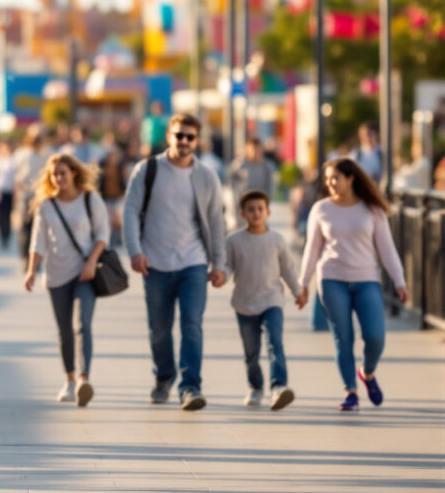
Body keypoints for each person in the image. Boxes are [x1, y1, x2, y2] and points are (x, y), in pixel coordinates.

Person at [123, 113, 228, 411]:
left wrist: (220, 264)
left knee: (192, 325)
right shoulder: (148, 169)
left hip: (193, 262)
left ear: (197, 141)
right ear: (168, 136)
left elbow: (216, 222)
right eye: (178, 135)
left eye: (189, 137)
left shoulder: (207, 176)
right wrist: (134, 251)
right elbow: (130, 211)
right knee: (159, 329)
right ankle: (163, 376)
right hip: (154, 262)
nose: (184, 141)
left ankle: (190, 387)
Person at [297, 158, 409, 411]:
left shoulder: (372, 210)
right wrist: (303, 283)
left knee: (375, 337)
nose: (330, 183)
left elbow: (387, 249)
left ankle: (367, 374)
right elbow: (312, 249)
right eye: (327, 179)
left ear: (351, 178)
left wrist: (399, 281)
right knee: (342, 338)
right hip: (331, 279)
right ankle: (350, 391)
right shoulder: (321, 209)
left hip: (366, 279)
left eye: (335, 178)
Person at [24, 154, 109, 407]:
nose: (59, 178)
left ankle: (84, 379)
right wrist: (31, 271)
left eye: (63, 172)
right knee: (64, 330)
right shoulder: (46, 206)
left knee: (81, 323)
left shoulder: (90, 199)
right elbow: (38, 241)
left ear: (74, 173)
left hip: (85, 272)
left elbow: (103, 233)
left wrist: (92, 261)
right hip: (56, 274)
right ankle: (69, 381)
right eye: (54, 174)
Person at [224, 190, 300, 411]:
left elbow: (287, 269)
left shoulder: (277, 240)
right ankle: (255, 387)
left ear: (268, 212)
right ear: (242, 214)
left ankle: (279, 386)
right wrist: (220, 275)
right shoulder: (234, 241)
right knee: (252, 352)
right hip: (244, 304)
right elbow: (227, 266)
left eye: (260, 209)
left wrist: (297, 291)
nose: (256, 213)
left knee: (275, 342)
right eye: (251, 210)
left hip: (272, 301)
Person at [13, 128, 51, 260]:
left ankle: (35, 258)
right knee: (25, 228)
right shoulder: (22, 154)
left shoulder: (46, 154)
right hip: (26, 195)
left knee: (39, 228)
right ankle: (25, 256)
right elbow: (18, 178)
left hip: (40, 195)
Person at [227, 137, 278, 223]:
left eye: (257, 149)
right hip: (241, 209)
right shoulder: (239, 165)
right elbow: (229, 184)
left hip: (260, 209)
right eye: (252, 149)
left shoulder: (267, 167)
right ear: (247, 150)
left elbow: (271, 187)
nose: (255, 152)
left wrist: (265, 204)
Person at [97, 143, 128, 249]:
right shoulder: (102, 166)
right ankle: (109, 243)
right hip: (106, 198)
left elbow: (123, 183)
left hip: (118, 197)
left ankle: (119, 241)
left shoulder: (120, 167)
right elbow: (99, 184)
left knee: (119, 219)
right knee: (108, 221)